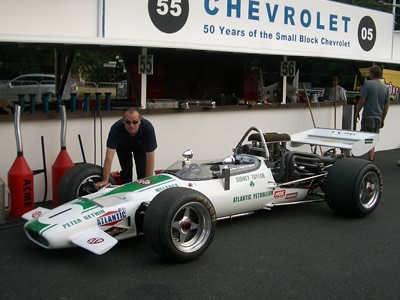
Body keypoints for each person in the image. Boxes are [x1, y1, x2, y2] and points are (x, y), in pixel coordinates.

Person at [97, 108, 157, 188]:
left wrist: (149, 182)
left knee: (142, 171)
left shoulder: (148, 128)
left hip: (140, 146)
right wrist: (105, 180)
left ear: (140, 121)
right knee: (126, 171)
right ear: (123, 121)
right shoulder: (116, 128)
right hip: (123, 146)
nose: (131, 125)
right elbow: (109, 157)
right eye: (128, 122)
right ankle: (125, 193)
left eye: (135, 122)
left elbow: (150, 157)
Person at [355, 65, 389, 161]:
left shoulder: (368, 84)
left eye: (370, 73)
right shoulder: (385, 88)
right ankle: (371, 158)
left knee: (364, 137)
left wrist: (357, 112)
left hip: (368, 116)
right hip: (378, 117)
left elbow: (362, 100)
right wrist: (383, 118)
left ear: (372, 73)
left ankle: (364, 158)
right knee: (373, 138)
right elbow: (386, 105)